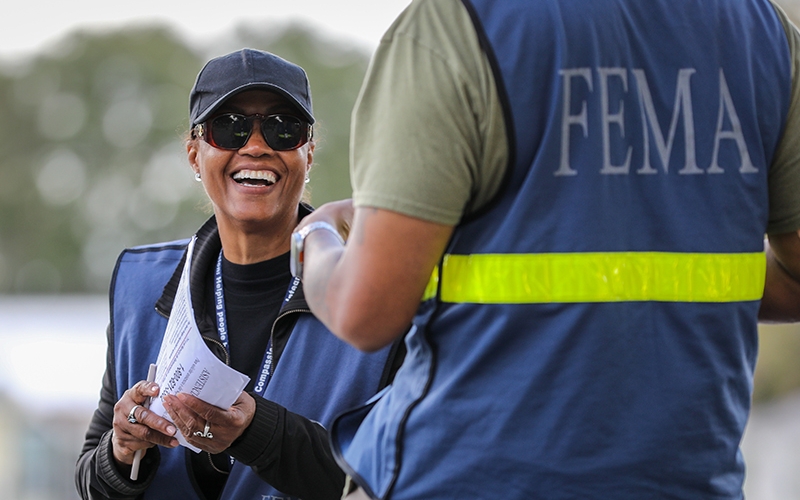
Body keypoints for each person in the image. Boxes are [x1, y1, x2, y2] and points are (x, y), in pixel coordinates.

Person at [295, 0, 800, 498]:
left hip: (466, 475)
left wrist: (314, 238)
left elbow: (365, 312)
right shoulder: (764, 32)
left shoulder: (455, 26)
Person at [75, 48, 401, 500]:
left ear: (308, 153)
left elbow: (400, 476)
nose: (255, 145)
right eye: (228, 127)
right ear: (194, 155)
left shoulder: (381, 289)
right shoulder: (138, 282)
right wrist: (122, 450)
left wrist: (256, 433)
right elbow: (93, 481)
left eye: (282, 128)